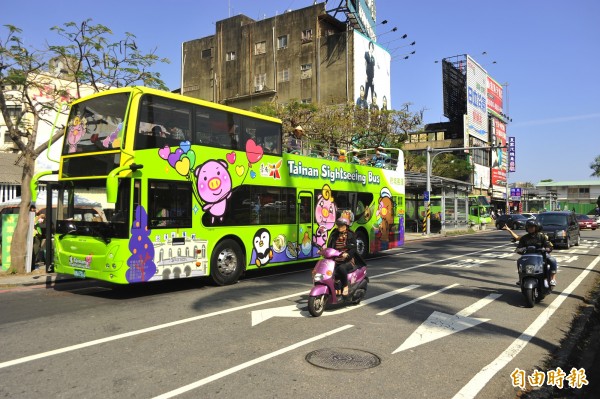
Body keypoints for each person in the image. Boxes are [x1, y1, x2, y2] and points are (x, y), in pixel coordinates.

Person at [322, 217, 366, 296]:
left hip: (348, 260)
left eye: (341, 225)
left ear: (346, 226)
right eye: (338, 225)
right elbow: (330, 246)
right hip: (335, 259)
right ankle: (336, 288)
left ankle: (345, 286)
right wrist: (323, 251)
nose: (339, 227)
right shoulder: (334, 235)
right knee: (328, 270)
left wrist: (348, 254)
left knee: (341, 268)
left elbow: (353, 248)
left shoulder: (351, 235)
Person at [515, 219, 558, 286]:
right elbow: (519, 247)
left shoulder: (541, 236)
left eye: (532, 227)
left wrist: (548, 248)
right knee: (519, 261)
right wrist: (519, 250)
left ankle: (552, 279)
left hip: (541, 254)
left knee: (552, 260)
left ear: (536, 227)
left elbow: (548, 244)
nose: (530, 228)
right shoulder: (524, 238)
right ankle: (521, 279)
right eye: (529, 227)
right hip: (528, 256)